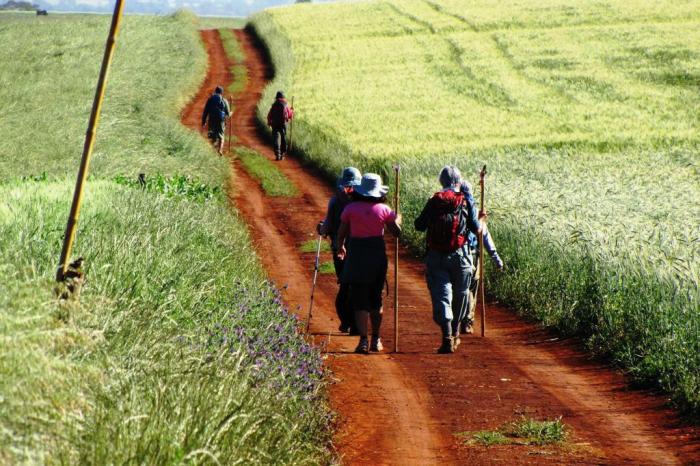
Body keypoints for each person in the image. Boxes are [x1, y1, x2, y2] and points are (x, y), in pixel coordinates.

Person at [414, 166, 481, 354]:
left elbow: (419, 225)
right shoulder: (466, 200)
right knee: (460, 294)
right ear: (459, 181)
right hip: (462, 255)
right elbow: (476, 227)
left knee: (442, 294)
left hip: (437, 256)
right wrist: (481, 222)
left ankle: (447, 337)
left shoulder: (434, 200)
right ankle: (457, 333)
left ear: (441, 181)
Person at [337, 173, 402, 354]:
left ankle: (363, 340)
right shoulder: (384, 209)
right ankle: (376, 339)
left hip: (357, 256)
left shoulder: (350, 208)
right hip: (377, 258)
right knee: (376, 299)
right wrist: (397, 217)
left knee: (360, 300)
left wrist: (341, 247)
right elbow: (397, 232)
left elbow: (341, 234)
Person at [317, 167, 362, 334]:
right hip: (359, 249)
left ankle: (347, 321)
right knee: (355, 285)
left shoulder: (335, 201)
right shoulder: (362, 201)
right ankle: (355, 323)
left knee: (345, 284)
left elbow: (327, 225)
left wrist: (321, 229)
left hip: (339, 250)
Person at [460, 182, 504, 334]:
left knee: (460, 288)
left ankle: (457, 320)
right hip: (471, 255)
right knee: (471, 289)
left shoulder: (453, 211)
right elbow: (483, 235)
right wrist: (496, 258)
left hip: (456, 255)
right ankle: (467, 321)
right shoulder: (475, 213)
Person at [201, 86, 230, 155]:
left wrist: (204, 121)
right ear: (222, 93)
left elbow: (206, 111)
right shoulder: (224, 100)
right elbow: (227, 113)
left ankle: (212, 150)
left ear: (215, 91)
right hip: (220, 120)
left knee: (212, 135)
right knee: (221, 136)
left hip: (212, 120)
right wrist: (230, 113)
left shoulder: (210, 99)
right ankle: (220, 150)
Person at [266, 91, 294, 161]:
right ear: (283, 97)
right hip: (282, 123)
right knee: (283, 138)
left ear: (277, 97)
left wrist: (269, 123)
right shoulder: (285, 104)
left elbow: (269, 115)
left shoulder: (274, 105)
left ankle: (277, 154)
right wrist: (292, 111)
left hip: (274, 124)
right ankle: (282, 154)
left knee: (275, 138)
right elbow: (289, 115)